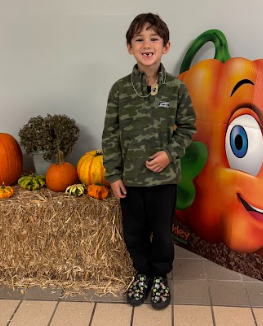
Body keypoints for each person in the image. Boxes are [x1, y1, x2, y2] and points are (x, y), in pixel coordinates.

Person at [102, 13, 196, 310]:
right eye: (139, 39)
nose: (147, 44)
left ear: (166, 46)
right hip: (130, 182)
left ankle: (159, 277)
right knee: (134, 234)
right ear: (129, 47)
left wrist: (170, 153)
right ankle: (141, 273)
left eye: (154, 38)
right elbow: (111, 133)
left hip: (164, 181)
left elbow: (188, 127)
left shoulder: (177, 89)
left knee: (163, 236)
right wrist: (113, 174)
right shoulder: (119, 90)